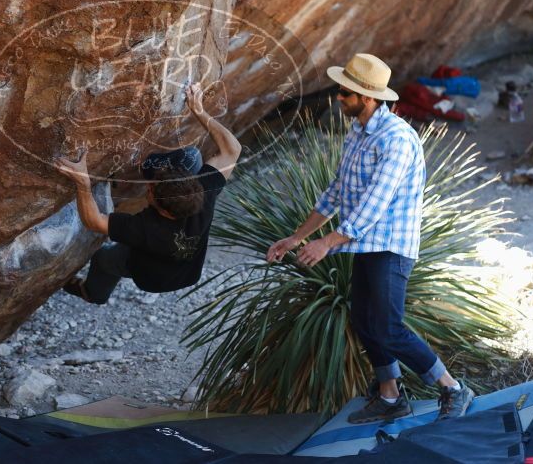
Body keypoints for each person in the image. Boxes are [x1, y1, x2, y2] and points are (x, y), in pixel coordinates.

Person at [265, 53, 474, 424]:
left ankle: (453, 388)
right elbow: (336, 192)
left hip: (391, 246)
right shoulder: (358, 131)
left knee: (388, 327)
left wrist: (325, 243)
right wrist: (297, 237)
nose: (338, 99)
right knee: (364, 320)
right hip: (364, 243)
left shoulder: (396, 140)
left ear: (368, 98)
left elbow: (374, 204)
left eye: (345, 94)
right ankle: (391, 396)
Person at [57, 83, 241, 304]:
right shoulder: (204, 193)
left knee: (104, 258)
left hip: (151, 276)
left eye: (151, 188)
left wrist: (83, 184)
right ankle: (148, 163)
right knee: (192, 158)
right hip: (189, 271)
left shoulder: (144, 229)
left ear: (161, 208)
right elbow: (232, 150)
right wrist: (198, 109)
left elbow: (94, 221)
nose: (148, 187)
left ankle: (93, 293)